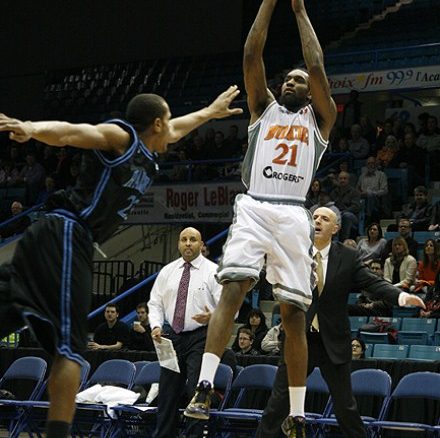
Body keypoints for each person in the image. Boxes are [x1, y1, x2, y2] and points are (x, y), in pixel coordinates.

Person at [0, 86, 241, 438]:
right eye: (168, 121)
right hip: (69, 231)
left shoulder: (152, 141)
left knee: (12, 312)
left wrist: (210, 111)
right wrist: (32, 128)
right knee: (70, 349)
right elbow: (73, 132)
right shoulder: (121, 137)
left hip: (51, 234)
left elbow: (180, 127)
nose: (173, 130)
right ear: (157, 123)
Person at [184, 1, 338, 435]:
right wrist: (270, 4)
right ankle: (205, 386)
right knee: (234, 286)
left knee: (293, 315)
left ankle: (297, 413)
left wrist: (301, 10)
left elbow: (318, 65)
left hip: (292, 213)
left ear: (311, 93)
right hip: (254, 204)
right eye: (288, 78)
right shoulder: (261, 108)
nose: (292, 82)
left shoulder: (321, 120)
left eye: (299, 81)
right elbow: (251, 54)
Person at [255, 207, 424, 438]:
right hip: (299, 340)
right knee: (277, 404)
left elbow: (373, 283)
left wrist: (402, 297)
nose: (318, 221)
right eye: (314, 217)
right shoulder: (295, 253)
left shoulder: (347, 256)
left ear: (335, 228)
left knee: (346, 407)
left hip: (332, 341)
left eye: (325, 219)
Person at [147, 227, 222, 438]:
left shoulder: (213, 271)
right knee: (167, 392)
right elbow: (155, 303)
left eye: (193, 239)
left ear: (201, 245)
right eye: (184, 239)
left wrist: (213, 316)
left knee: (195, 393)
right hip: (170, 336)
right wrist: (155, 325)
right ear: (179, 244)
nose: (188, 243)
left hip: (202, 337)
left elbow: (228, 308)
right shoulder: (167, 271)